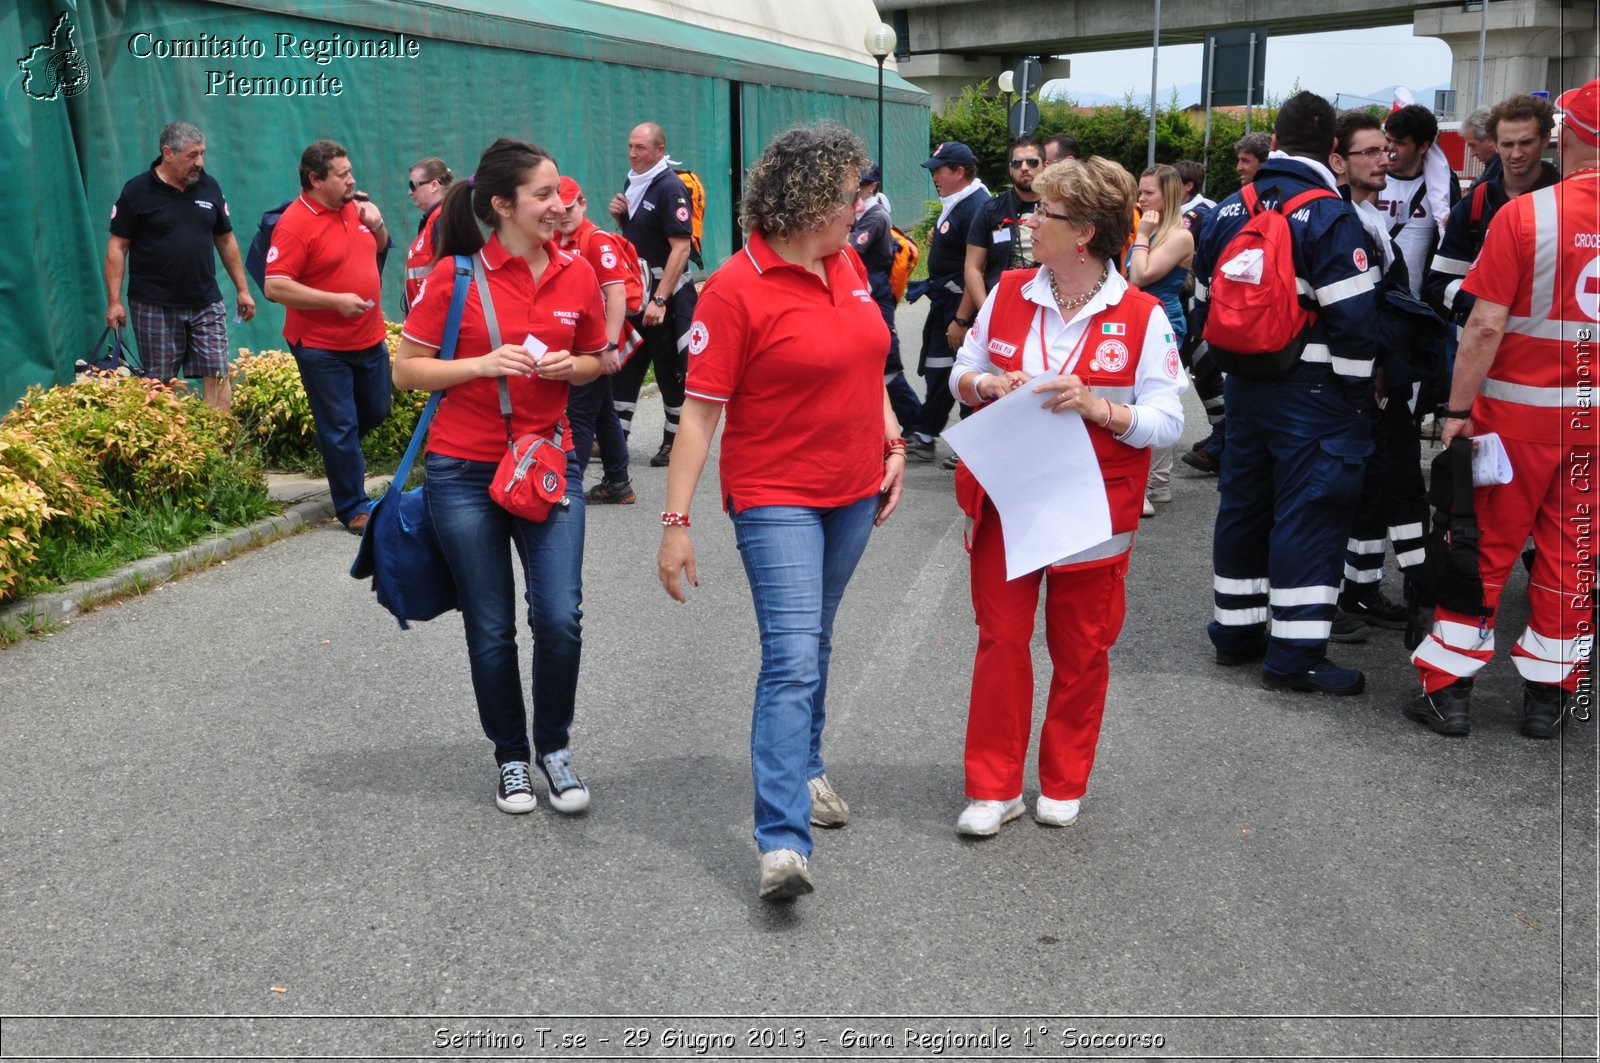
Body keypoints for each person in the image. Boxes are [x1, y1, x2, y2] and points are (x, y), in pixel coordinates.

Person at [656, 122, 906, 901]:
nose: (859, 209)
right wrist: (675, 522)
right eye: (847, 197)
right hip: (776, 497)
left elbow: (869, 366)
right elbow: (699, 414)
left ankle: (806, 765)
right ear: (805, 202)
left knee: (816, 636)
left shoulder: (850, 264)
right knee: (793, 654)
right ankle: (781, 842)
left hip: (854, 489)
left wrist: (892, 440)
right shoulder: (735, 288)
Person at [948, 155, 1186, 836]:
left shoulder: (1140, 316)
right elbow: (966, 368)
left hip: (1093, 509)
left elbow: (1168, 420)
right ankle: (994, 788)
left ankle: (1062, 779)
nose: (1027, 221)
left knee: (1082, 649)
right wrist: (987, 386)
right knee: (1000, 639)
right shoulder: (1013, 289)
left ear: (1082, 231)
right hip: (1009, 497)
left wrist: (1100, 410)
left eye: (1042, 213)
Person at [394, 138, 607, 812]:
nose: (559, 205)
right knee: (490, 626)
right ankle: (512, 756)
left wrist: (573, 368)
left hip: (548, 461)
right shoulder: (454, 277)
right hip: (463, 469)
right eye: (543, 195)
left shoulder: (576, 273)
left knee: (560, 617)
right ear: (502, 205)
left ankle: (556, 748)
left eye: (560, 194)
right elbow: (406, 369)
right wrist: (482, 365)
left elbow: (598, 356)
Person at [1404, 80, 1600, 739]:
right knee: (1573, 558)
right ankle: (1551, 697)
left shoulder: (1529, 215)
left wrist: (1456, 409)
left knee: (1479, 552)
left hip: (1517, 423)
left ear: (1566, 133)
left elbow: (1484, 325)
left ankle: (1449, 692)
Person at [1194, 92, 1382, 695]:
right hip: (1315, 394)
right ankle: (1295, 655)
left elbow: (1201, 307)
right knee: (1310, 516)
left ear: (1272, 142)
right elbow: (1355, 322)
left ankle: (1236, 633)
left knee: (1244, 506)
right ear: (1333, 150)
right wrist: (1356, 400)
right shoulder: (1331, 215)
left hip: (1245, 388)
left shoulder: (1228, 209)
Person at [1328, 110, 1431, 639]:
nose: (1383, 159)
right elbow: (1357, 311)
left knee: (1378, 486)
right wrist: (1375, 371)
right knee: (1394, 481)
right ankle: (1423, 588)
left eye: (1385, 150)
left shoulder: (1364, 216)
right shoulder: (1343, 221)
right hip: (1362, 382)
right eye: (1370, 152)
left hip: (1381, 375)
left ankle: (1363, 588)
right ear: (1338, 161)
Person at [263, 139, 394, 534]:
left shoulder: (355, 207)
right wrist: (334, 301)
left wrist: (378, 224)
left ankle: (338, 448)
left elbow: (380, 248)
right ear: (316, 180)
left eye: (350, 171)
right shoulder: (294, 224)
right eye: (342, 175)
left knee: (375, 411)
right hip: (322, 346)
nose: (352, 179)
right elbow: (275, 286)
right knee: (341, 426)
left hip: (368, 336)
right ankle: (354, 508)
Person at [104, 121, 255, 411]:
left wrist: (243, 290)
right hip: (153, 303)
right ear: (167, 153)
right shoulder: (137, 191)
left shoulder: (209, 186)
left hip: (206, 301)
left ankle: (220, 445)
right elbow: (117, 246)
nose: (200, 162)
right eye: (192, 155)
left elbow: (225, 239)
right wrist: (114, 302)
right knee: (160, 383)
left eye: (202, 153)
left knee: (218, 372)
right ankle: (171, 451)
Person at [1424, 94, 1560, 333]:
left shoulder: (1567, 200)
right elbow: (1440, 281)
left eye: (1526, 142)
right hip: (1482, 347)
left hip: (1548, 351)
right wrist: (1484, 307)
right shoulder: (1474, 204)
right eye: (1507, 144)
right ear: (1495, 144)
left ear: (1545, 139)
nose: (1516, 154)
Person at [607, 122, 697, 468]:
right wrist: (620, 219)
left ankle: (674, 439)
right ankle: (616, 440)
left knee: (668, 368)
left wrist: (660, 300)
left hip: (664, 297)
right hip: (636, 291)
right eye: (630, 146)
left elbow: (681, 249)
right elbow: (638, 237)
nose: (633, 154)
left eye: (641, 148)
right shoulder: (633, 181)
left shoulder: (670, 187)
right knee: (627, 365)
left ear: (660, 151)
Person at [905, 141, 987, 463]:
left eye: (939, 170)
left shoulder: (977, 205)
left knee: (966, 373)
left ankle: (973, 447)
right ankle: (926, 433)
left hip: (958, 308)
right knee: (940, 370)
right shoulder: (958, 201)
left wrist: (963, 319)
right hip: (945, 305)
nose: (934, 177)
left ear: (959, 171)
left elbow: (975, 268)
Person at [556, 176, 636, 505]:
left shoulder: (595, 240)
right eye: (557, 209)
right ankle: (618, 482)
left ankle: (567, 489)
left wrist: (608, 346)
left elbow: (616, 293)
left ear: (583, 203)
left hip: (595, 346)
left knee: (579, 414)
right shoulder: (560, 240)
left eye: (569, 207)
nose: (562, 214)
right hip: (582, 345)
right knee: (602, 412)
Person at [1125, 163, 1194, 515]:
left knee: (1156, 396)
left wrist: (1142, 234)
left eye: (1148, 192)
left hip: (1163, 322)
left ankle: (1156, 484)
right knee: (1136, 395)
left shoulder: (1179, 235)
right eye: (1140, 191)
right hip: (1139, 319)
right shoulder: (1151, 231)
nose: (1141, 197)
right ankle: (1145, 481)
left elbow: (1140, 275)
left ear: (1166, 196)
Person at [850, 163, 921, 436]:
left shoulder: (876, 215)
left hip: (878, 293)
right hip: (864, 290)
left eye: (864, 182)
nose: (859, 186)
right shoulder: (860, 210)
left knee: (887, 366)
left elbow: (851, 247)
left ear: (873, 186)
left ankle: (916, 426)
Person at [402, 155, 452, 314]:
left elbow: (451, 277)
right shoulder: (434, 219)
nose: (410, 192)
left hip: (437, 321)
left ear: (434, 185)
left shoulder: (441, 219)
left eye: (413, 185)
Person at [1461, 106, 1502, 188]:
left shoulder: (1496, 179)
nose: (1472, 154)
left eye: (1473, 146)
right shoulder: (1497, 172)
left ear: (1490, 138)